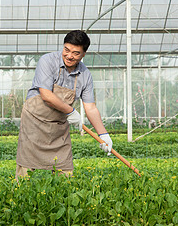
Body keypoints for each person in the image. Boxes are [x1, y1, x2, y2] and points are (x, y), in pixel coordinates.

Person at [15, 30, 112, 181]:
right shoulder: (47, 61)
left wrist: (103, 135)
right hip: (34, 120)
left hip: (59, 125)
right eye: (66, 50)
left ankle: (63, 198)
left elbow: (90, 107)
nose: (69, 56)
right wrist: (71, 111)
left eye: (75, 53)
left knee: (65, 167)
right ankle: (22, 196)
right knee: (27, 165)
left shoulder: (85, 75)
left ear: (84, 54)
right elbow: (46, 95)